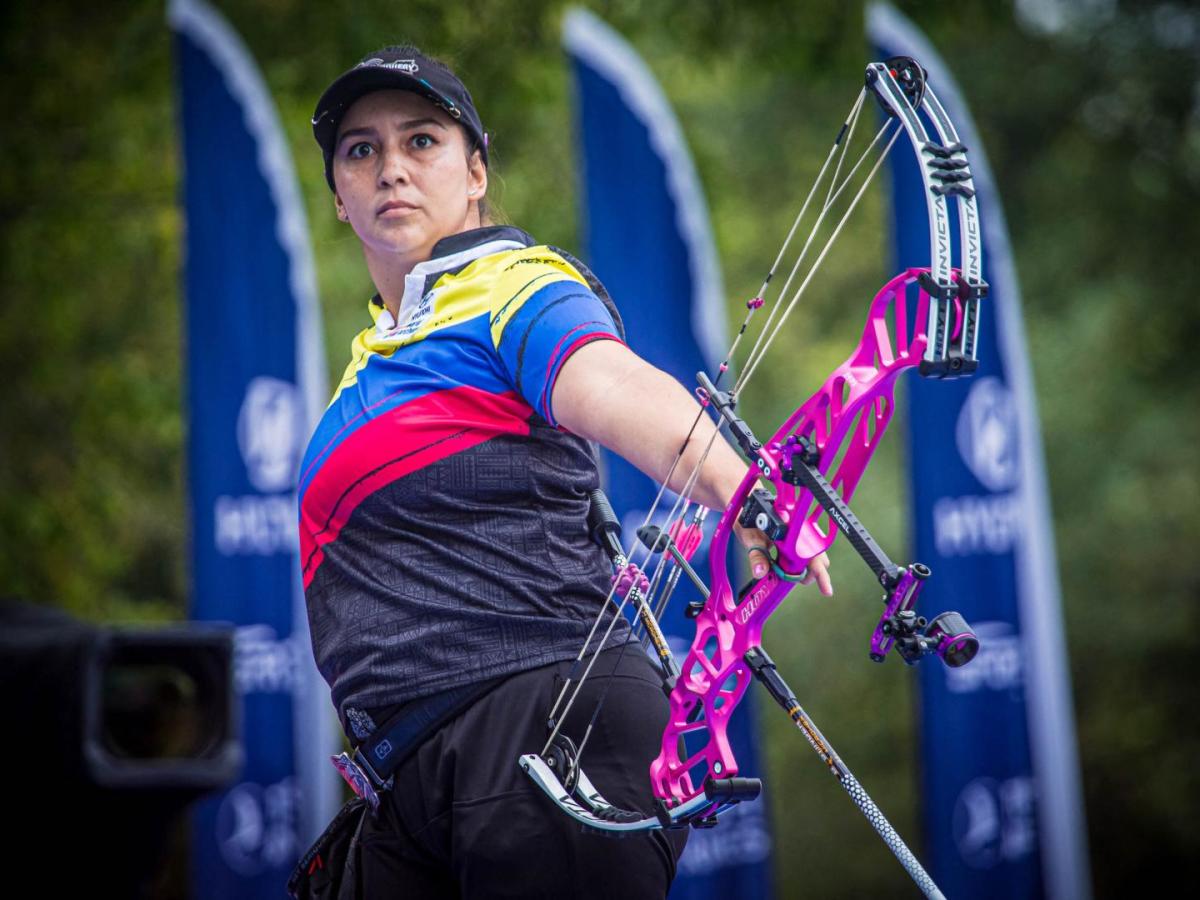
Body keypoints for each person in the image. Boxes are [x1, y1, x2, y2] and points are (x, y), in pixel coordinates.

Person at [297, 44, 833, 899]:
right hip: (412, 775)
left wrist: (744, 491)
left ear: (476, 172)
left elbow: (612, 383)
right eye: (361, 150)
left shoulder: (511, 284)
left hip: (542, 725)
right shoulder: (374, 356)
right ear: (337, 195)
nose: (391, 167)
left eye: (421, 140)